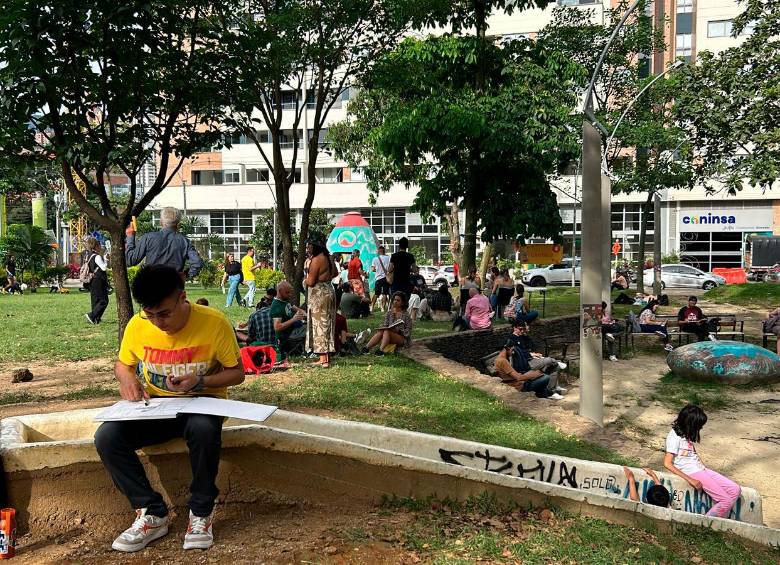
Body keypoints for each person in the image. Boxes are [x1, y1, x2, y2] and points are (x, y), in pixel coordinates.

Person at [94, 265, 244, 553]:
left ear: (182, 298)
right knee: (107, 437)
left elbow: (236, 373)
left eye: (163, 313)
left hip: (202, 402)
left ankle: (200, 512)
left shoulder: (214, 323)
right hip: (156, 407)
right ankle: (151, 513)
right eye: (149, 314)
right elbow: (123, 364)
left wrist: (200, 381)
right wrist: (127, 379)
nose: (157, 322)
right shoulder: (139, 326)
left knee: (202, 429)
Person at [664, 404, 741, 518]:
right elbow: (667, 463)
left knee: (735, 490)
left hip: (700, 469)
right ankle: (704, 525)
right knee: (726, 501)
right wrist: (690, 479)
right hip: (691, 472)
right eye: (699, 426)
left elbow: (692, 453)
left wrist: (704, 468)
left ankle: (718, 517)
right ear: (690, 423)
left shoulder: (686, 434)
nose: (701, 428)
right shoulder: (674, 436)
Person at [125, 207, 203, 280]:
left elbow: (130, 260)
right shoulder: (185, 241)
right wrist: (186, 275)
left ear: (161, 222)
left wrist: (130, 236)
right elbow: (197, 263)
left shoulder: (148, 238)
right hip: (173, 287)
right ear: (178, 225)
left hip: (150, 285)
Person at [305, 238, 339, 368]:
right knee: (328, 323)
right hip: (329, 290)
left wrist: (305, 279)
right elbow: (335, 273)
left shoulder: (316, 259)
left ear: (315, 246)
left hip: (319, 294)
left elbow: (311, 281)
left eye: (309, 247)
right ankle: (327, 357)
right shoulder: (329, 257)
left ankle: (323, 359)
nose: (308, 249)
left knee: (319, 324)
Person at [494, 339, 564, 400]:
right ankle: (543, 394)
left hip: (517, 382)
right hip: (519, 386)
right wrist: (537, 374)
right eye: (512, 350)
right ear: (507, 348)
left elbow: (514, 375)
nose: (512, 353)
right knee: (545, 377)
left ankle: (545, 393)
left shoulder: (500, 359)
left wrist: (532, 375)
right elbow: (519, 378)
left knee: (539, 375)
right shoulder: (503, 361)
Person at [508, 320, 567, 391]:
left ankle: (552, 388)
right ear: (515, 328)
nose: (522, 331)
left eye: (523, 329)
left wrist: (533, 354)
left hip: (531, 358)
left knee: (555, 366)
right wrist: (531, 354)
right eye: (520, 329)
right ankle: (556, 362)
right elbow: (518, 353)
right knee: (550, 361)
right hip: (527, 362)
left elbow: (530, 346)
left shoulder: (522, 337)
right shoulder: (511, 339)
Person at [363, 291, 413, 355]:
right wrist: (382, 327)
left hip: (402, 338)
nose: (395, 301)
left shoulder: (406, 315)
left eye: (398, 300)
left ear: (402, 303)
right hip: (389, 334)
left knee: (387, 331)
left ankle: (381, 350)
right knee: (383, 331)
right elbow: (384, 324)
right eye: (394, 300)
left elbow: (408, 332)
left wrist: (398, 331)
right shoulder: (389, 313)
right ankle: (366, 348)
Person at [270, 281, 307, 358]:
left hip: (293, 330)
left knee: (312, 326)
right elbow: (277, 327)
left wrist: (304, 314)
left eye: (290, 292)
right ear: (279, 291)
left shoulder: (284, 301)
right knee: (312, 329)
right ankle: (311, 351)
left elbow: (297, 309)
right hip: (286, 336)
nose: (290, 295)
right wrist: (294, 319)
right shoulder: (276, 306)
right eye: (287, 292)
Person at [84, 237, 110, 325]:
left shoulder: (89, 255)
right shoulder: (97, 256)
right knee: (104, 300)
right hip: (98, 280)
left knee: (95, 300)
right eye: (99, 245)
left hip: (91, 280)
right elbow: (103, 267)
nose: (101, 247)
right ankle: (92, 315)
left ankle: (96, 319)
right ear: (96, 246)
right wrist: (106, 259)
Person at [371, 245, 391, 312]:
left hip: (378, 278)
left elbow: (373, 269)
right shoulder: (388, 258)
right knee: (385, 293)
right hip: (386, 278)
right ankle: (382, 308)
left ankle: (372, 307)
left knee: (376, 293)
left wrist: (377, 269)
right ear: (384, 251)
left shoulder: (375, 259)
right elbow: (391, 268)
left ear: (379, 251)